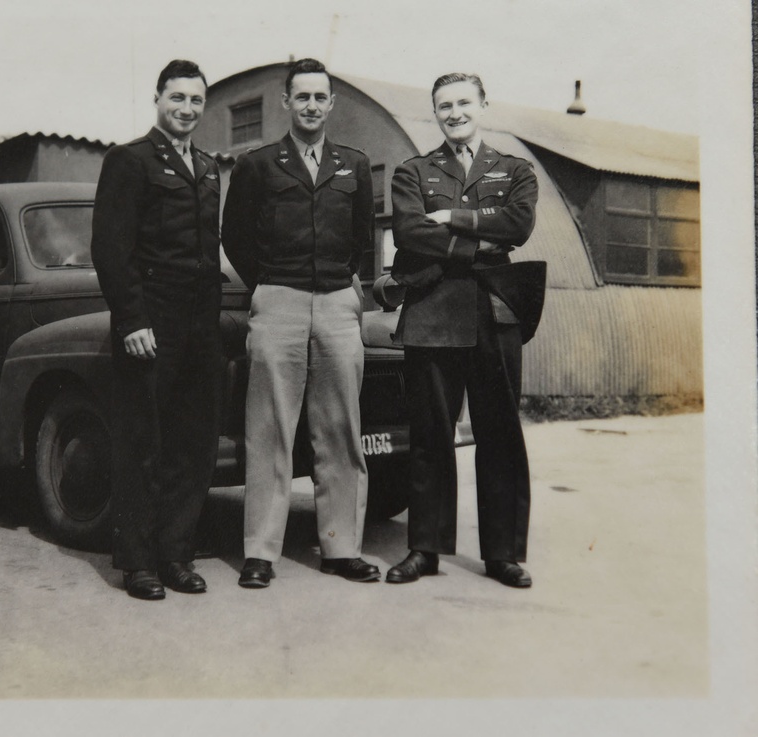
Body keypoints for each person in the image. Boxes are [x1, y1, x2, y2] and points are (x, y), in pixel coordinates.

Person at [222, 58, 378, 588]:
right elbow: (235, 238)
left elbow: (362, 238)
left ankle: (342, 549)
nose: (311, 105)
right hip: (278, 301)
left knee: (341, 428)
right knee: (269, 430)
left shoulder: (353, 166)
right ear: (286, 103)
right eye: (302, 96)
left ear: (331, 104)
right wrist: (270, 282)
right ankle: (261, 552)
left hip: (337, 303)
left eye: (320, 97)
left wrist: (340, 283)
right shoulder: (258, 166)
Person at [387, 72, 539, 588]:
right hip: (433, 311)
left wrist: (452, 215)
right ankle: (424, 549)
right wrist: (481, 238)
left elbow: (518, 225)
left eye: (463, 103)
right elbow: (409, 231)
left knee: (500, 434)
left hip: (496, 312)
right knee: (431, 434)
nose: (454, 113)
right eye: (444, 106)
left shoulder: (515, 169)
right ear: (435, 112)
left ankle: (502, 554)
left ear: (483, 104)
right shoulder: (412, 171)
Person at [91, 60, 222, 601]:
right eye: (177, 98)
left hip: (200, 323)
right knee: (143, 441)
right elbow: (111, 247)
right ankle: (138, 561)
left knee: (192, 444)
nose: (186, 109)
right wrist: (131, 319)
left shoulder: (210, 167)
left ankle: (176, 554)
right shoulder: (130, 159)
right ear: (157, 99)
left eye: (195, 100)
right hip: (152, 319)